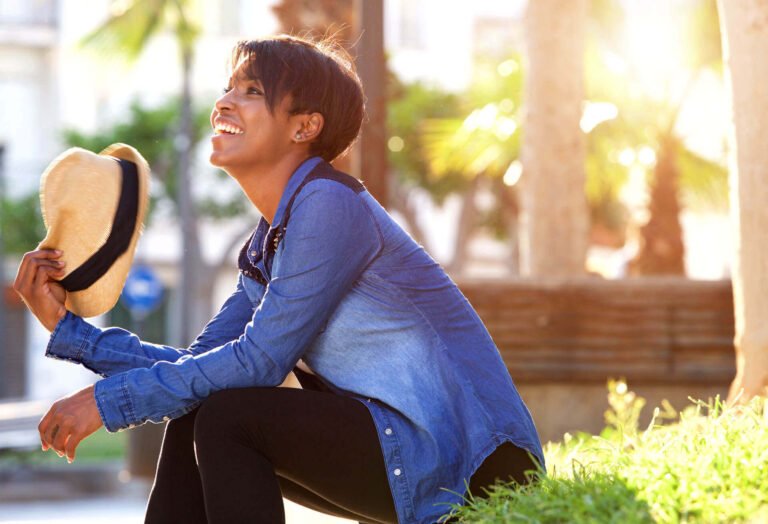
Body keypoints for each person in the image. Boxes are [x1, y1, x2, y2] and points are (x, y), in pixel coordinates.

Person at [14, 35, 544, 524]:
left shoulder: (330, 205)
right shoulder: (273, 240)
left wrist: (105, 403)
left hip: (477, 463)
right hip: (410, 448)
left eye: (250, 91)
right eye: (227, 88)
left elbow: (256, 364)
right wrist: (69, 330)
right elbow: (199, 369)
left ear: (303, 126)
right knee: (202, 405)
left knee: (227, 417)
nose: (223, 102)